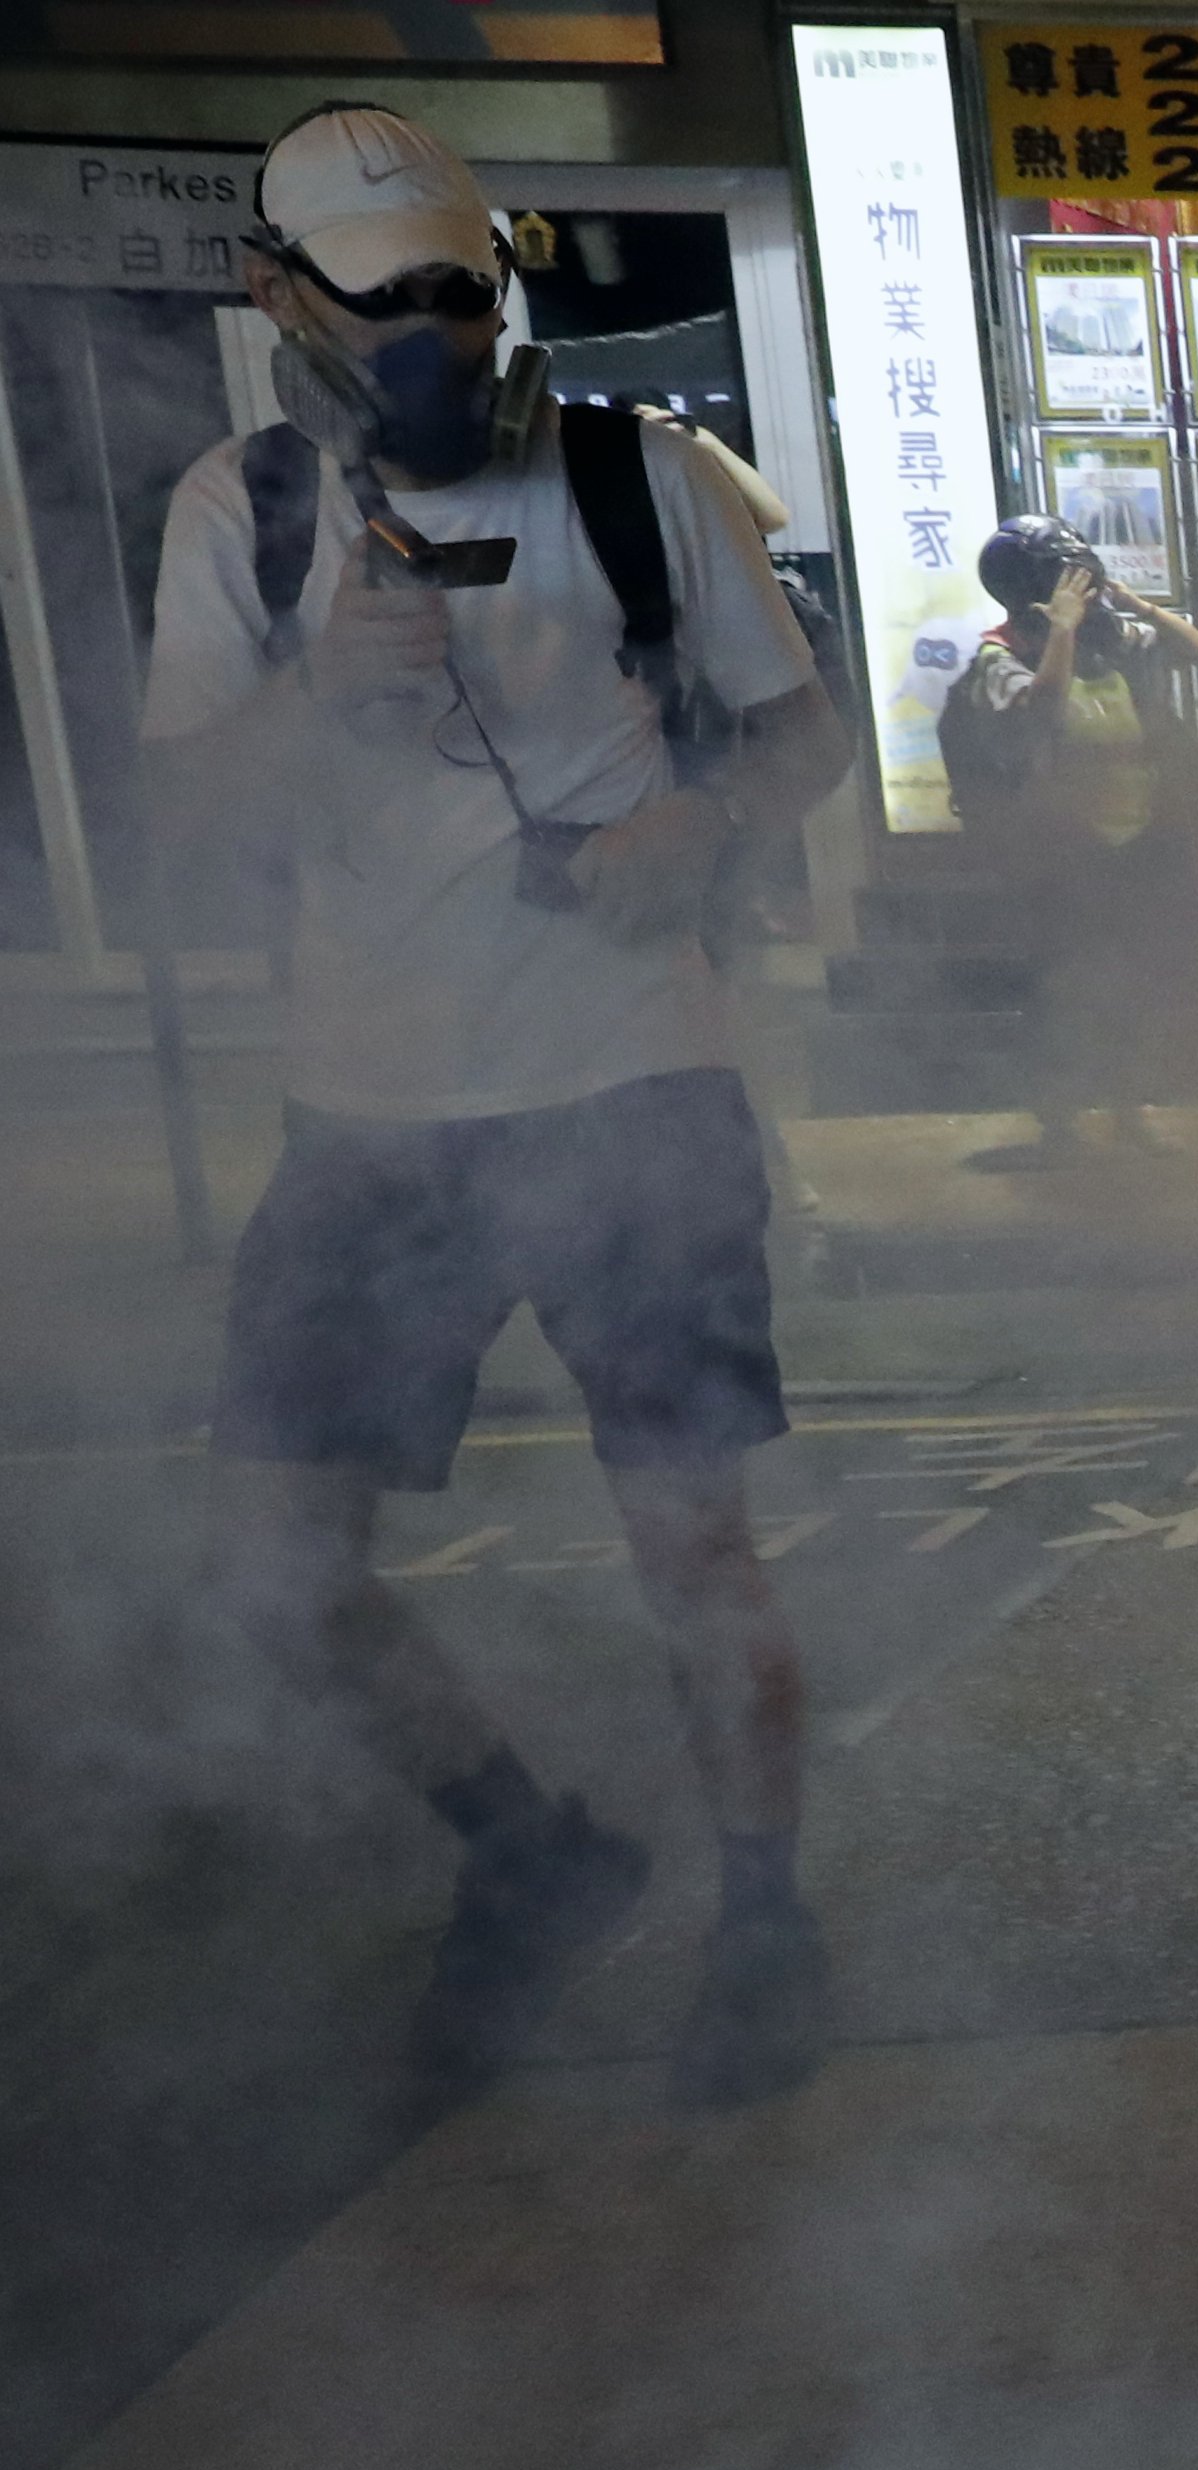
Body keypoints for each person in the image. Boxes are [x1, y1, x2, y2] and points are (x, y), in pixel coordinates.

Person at [146, 103, 853, 2110]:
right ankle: (529, 1848)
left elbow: (797, 738)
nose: (431, 343)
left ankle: (763, 1912)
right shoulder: (245, 511)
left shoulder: (643, 477)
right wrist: (323, 695)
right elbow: (185, 818)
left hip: (635, 1077)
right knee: (282, 1563)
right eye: (381, 308)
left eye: (461, 295)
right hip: (367, 1114)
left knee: (690, 1542)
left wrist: (693, 831)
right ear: (278, 297)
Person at [936, 516, 1198, 1170]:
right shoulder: (1000, 656)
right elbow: (1042, 706)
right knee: (1060, 988)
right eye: (1067, 576)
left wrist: (1131, 602)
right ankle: (1059, 1121)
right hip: (1056, 853)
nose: (1083, 587)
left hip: (1133, 841)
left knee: (1134, 984)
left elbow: (1196, 651)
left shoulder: (1112, 641)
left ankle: (1129, 1110)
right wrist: (1058, 627)